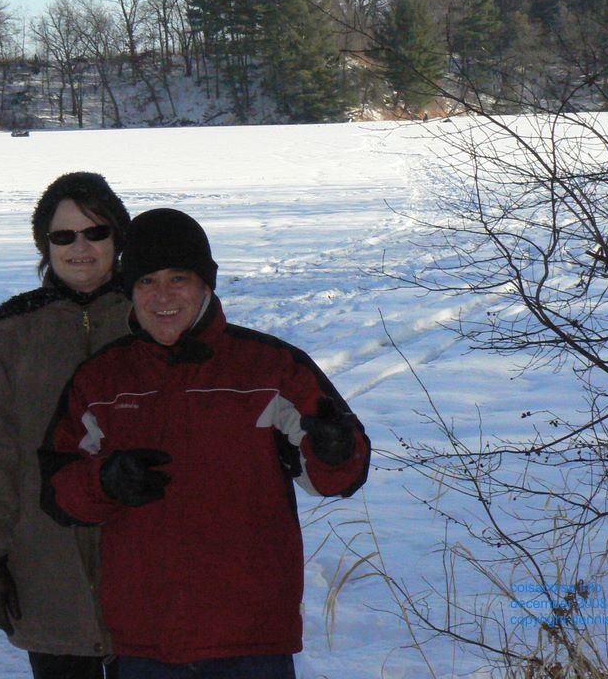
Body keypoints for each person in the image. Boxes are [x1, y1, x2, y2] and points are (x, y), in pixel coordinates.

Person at [40, 208, 371, 679]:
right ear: (130, 292)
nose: (163, 296)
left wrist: (335, 449)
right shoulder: (102, 380)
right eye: (147, 281)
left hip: (251, 639)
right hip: (144, 641)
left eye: (179, 278)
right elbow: (57, 491)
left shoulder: (270, 368)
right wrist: (105, 483)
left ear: (206, 285)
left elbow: (337, 477)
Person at [0, 172, 132, 679]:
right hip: (45, 564)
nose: (80, 248)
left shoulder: (155, 318)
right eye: (63, 236)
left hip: (147, 560)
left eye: (96, 232)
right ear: (45, 246)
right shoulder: (7, 335)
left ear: (119, 237)